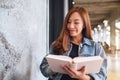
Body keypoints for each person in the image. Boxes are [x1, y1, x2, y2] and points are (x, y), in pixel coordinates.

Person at [40, 7, 107, 80]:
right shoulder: (56, 44)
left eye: (76, 22)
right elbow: (44, 69)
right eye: (69, 22)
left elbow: (103, 76)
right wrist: (55, 68)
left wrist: (83, 77)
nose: (71, 26)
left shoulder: (96, 47)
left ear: (84, 25)